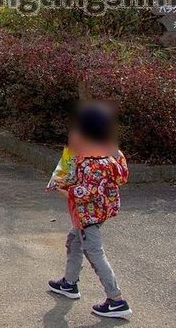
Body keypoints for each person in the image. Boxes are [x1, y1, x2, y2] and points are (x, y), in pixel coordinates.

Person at [47, 102, 132, 319]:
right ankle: (69, 283)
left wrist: (59, 187)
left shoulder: (93, 163)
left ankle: (116, 300)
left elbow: (83, 192)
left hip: (88, 215)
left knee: (94, 252)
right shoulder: (110, 151)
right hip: (100, 211)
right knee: (74, 241)